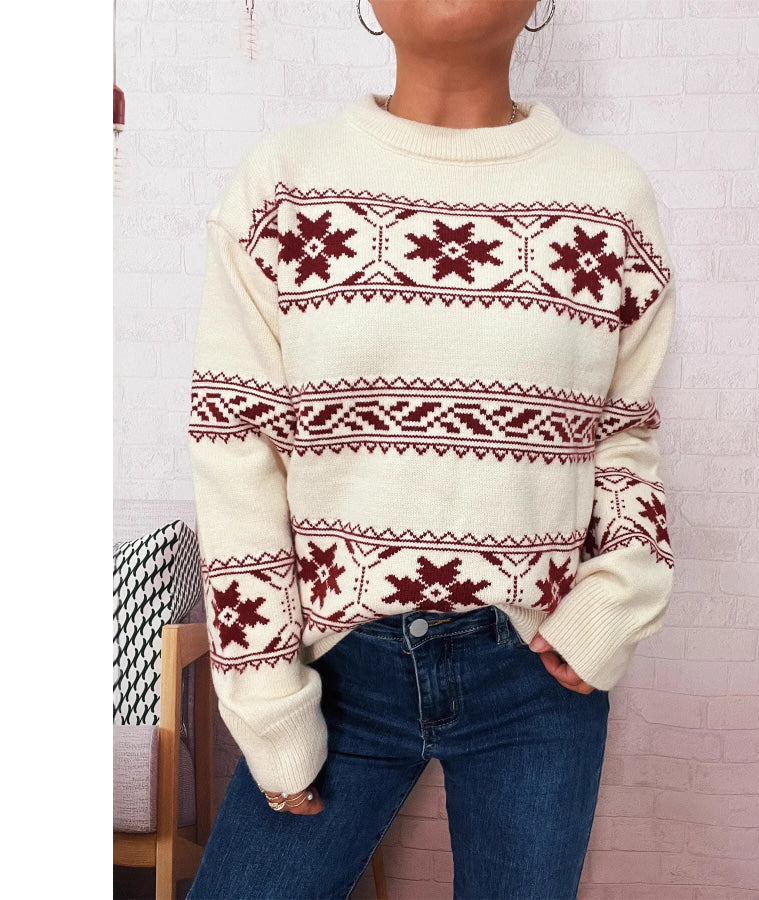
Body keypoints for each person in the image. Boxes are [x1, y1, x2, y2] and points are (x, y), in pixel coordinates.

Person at [185, 1, 676, 897]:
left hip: (535, 672)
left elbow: (624, 433)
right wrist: (265, 699)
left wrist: (613, 601)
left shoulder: (610, 202)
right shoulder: (283, 188)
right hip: (333, 667)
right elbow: (235, 447)